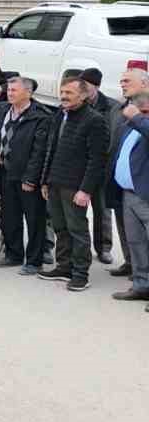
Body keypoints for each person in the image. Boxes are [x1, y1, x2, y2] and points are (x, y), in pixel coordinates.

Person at [39, 76, 110, 291]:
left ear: (84, 95)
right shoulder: (60, 114)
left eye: (69, 93)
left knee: (77, 229)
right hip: (55, 183)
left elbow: (97, 159)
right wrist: (45, 180)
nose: (64, 97)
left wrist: (85, 190)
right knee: (60, 228)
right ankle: (64, 267)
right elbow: (51, 150)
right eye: (62, 92)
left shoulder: (94, 120)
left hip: (76, 186)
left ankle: (81, 273)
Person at [0, 76, 52, 274]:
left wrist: (31, 179)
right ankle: (13, 254)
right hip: (5, 172)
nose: (10, 93)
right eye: (9, 90)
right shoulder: (0, 110)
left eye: (14, 90)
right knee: (9, 216)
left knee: (34, 219)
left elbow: (40, 151)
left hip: (27, 176)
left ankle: (34, 261)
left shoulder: (42, 116)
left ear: (28, 93)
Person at [107, 91, 149, 305]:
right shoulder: (131, 126)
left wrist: (138, 118)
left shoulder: (141, 123)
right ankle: (142, 285)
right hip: (129, 194)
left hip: (146, 196)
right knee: (136, 243)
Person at [78, 67, 122, 266]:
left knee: (102, 210)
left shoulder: (111, 107)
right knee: (75, 208)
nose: (82, 89)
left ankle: (103, 248)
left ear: (95, 86)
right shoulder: (79, 103)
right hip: (79, 165)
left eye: (85, 85)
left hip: (102, 166)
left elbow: (112, 139)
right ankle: (77, 247)